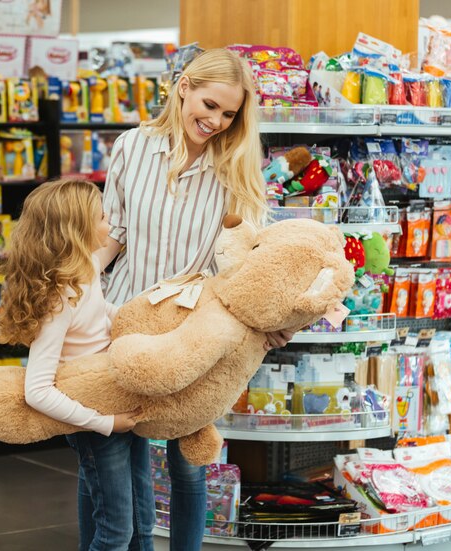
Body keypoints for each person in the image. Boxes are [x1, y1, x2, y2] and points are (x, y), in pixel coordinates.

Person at [96, 48, 295, 551]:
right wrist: (74, 291)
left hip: (196, 331)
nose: (216, 121)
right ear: (183, 86)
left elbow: (250, 255)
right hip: (123, 318)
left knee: (189, 461)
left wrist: (272, 317)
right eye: (209, 105)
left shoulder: (237, 167)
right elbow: (113, 232)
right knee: (115, 459)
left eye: (228, 114)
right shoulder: (131, 147)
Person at [0, 178, 152, 551]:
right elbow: (37, 391)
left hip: (122, 404)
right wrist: (104, 424)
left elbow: (97, 316)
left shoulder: (86, 271)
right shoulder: (60, 296)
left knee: (143, 521)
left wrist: (133, 322)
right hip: (97, 420)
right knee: (115, 530)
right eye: (100, 216)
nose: (109, 221)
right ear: (76, 228)